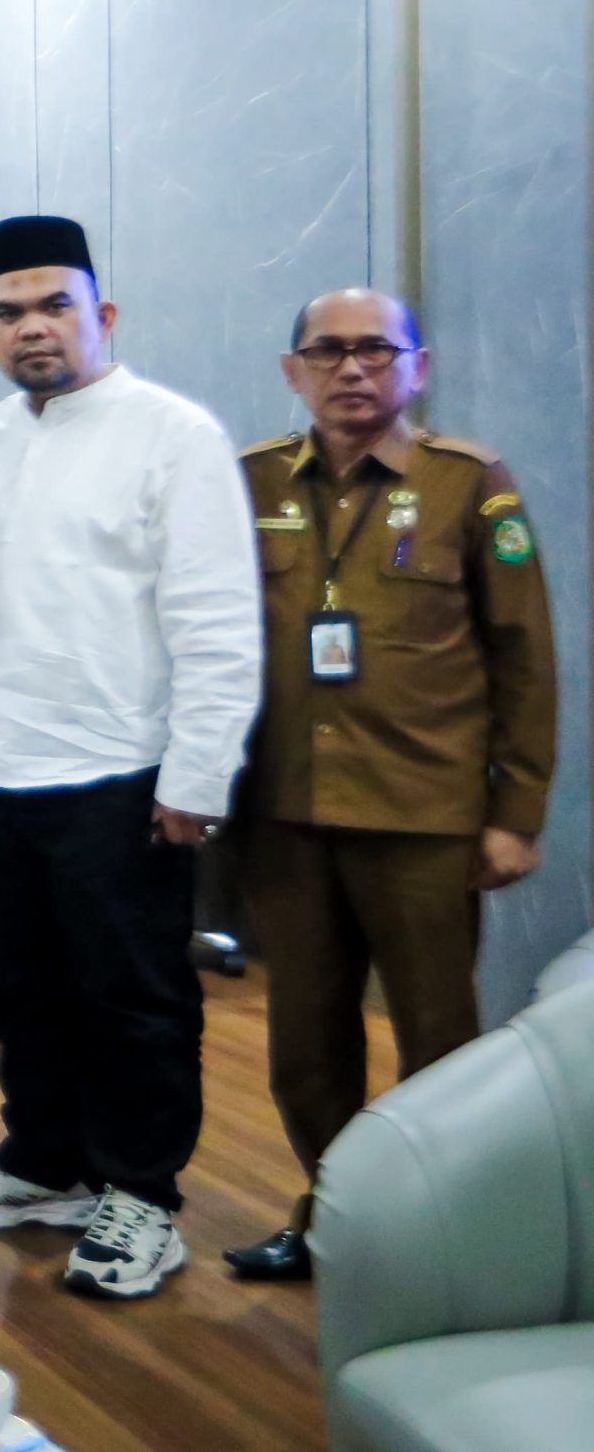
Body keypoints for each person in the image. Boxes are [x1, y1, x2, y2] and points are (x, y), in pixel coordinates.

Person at [0, 214, 262, 1300]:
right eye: (10, 311)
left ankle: (140, 1193)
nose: (35, 327)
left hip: (120, 773)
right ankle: (46, 1161)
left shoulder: (174, 434)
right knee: (15, 986)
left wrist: (197, 774)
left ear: (101, 313)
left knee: (132, 997)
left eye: (55, 304)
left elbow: (217, 619)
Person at [222, 288, 555, 1283]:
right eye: (328, 351)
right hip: (286, 813)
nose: (352, 368)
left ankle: (443, 1241)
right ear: (292, 371)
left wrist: (515, 812)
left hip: (422, 815)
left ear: (418, 367)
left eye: (377, 349)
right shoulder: (247, 481)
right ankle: (337, 1221)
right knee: (304, 1047)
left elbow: (524, 659)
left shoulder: (468, 484)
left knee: (437, 1041)